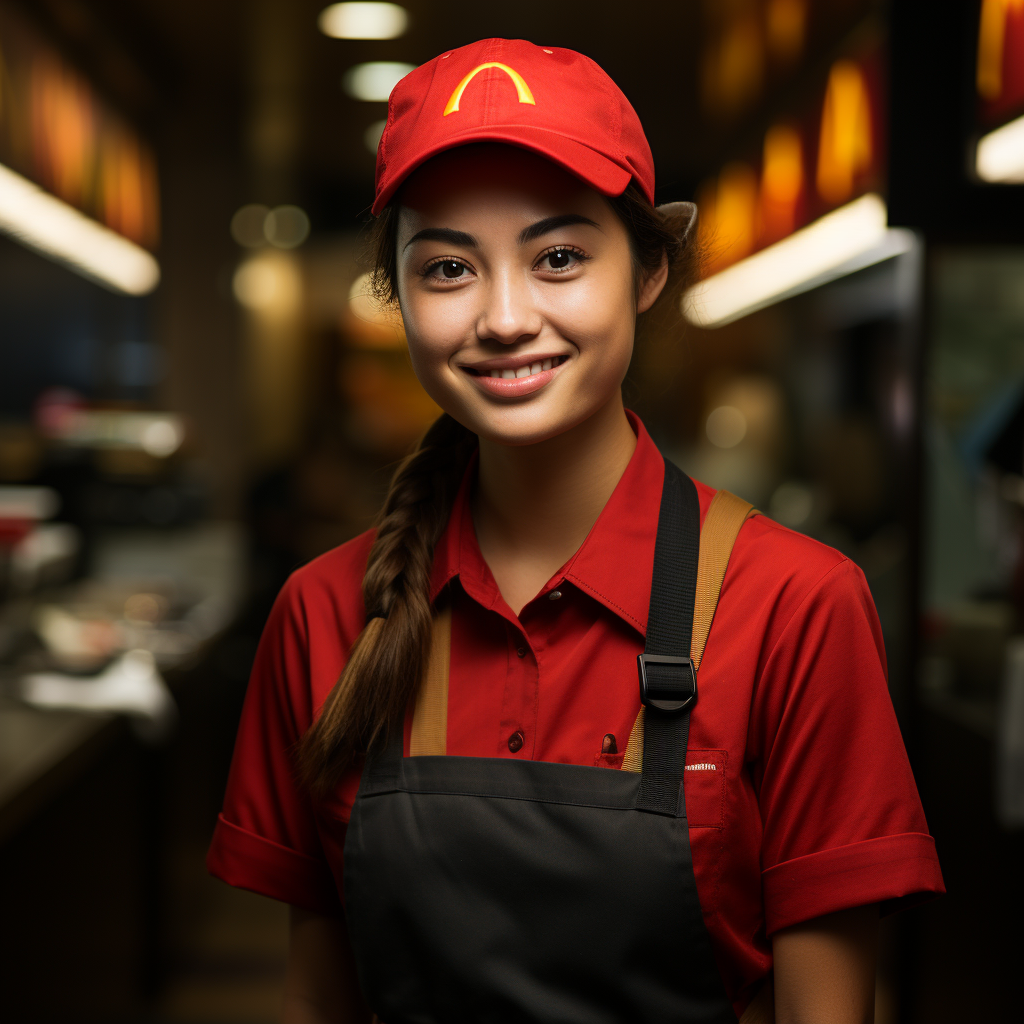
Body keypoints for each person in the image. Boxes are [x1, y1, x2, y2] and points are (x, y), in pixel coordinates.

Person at [207, 38, 944, 1024]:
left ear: (646, 271)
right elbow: (316, 996)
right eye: (447, 268)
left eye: (558, 257)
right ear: (397, 298)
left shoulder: (792, 604)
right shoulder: (323, 614)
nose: (505, 316)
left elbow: (830, 1010)